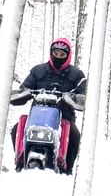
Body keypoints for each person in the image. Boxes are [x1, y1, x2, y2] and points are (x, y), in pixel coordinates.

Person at [11, 37, 87, 174]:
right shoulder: (38, 71)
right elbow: (24, 88)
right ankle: (20, 161)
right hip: (37, 117)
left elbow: (84, 96)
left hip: (64, 117)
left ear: (68, 56)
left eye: (62, 55)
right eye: (56, 53)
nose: (58, 57)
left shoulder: (77, 75)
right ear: (51, 53)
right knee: (16, 128)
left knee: (75, 135)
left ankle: (67, 169)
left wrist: (72, 98)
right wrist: (23, 93)